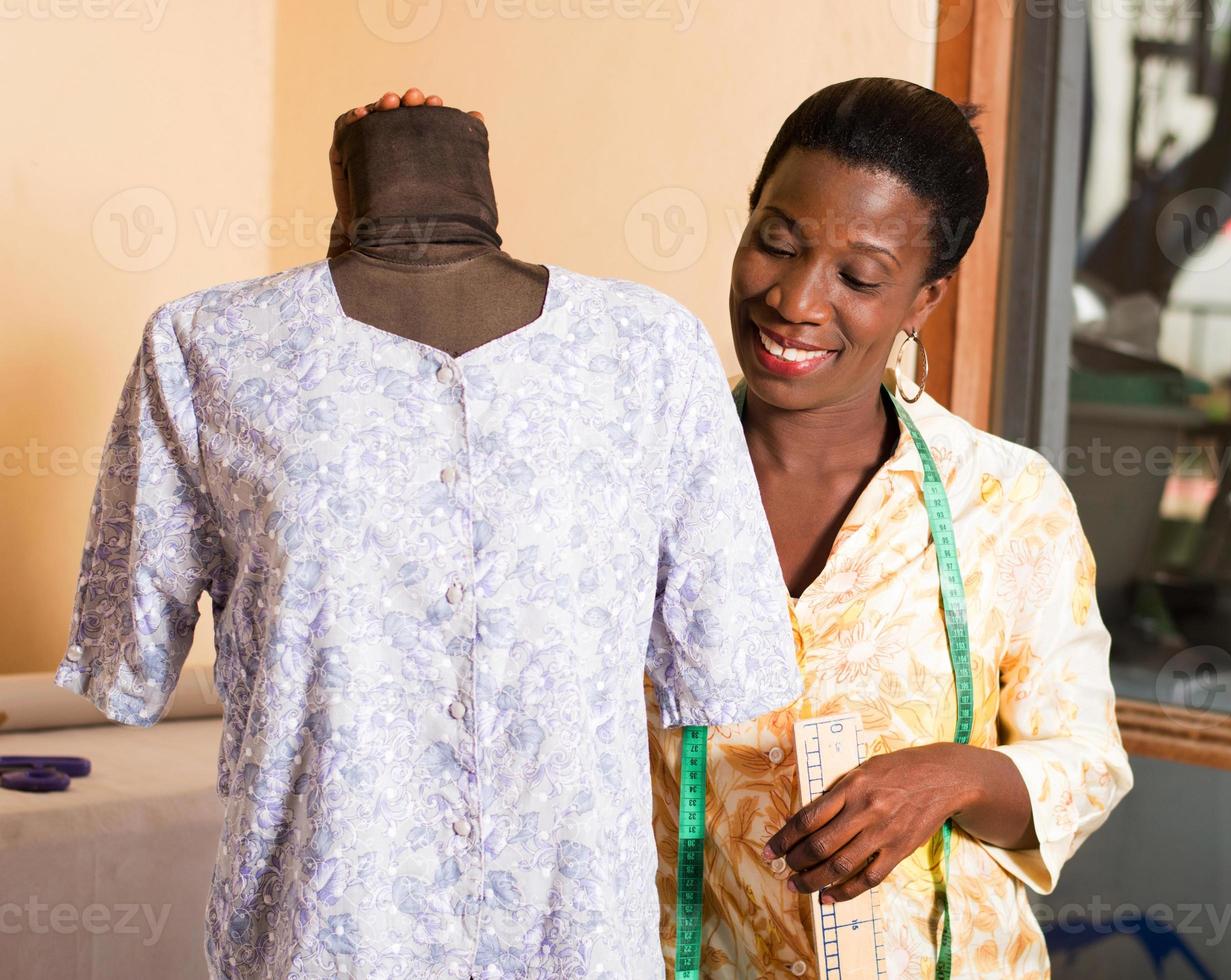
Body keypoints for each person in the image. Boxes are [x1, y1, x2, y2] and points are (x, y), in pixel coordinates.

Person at [346, 81, 1133, 978]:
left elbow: (1086, 764)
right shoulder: (620, 479)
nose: (796, 299)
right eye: (776, 242)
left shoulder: (1005, 500)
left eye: (861, 277)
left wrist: (956, 775)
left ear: (924, 299)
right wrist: (396, 199)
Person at [54, 86, 799, 979]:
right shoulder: (206, 348)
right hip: (322, 942)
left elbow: (729, 658)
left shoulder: (651, 355)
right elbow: (128, 656)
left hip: (572, 937)